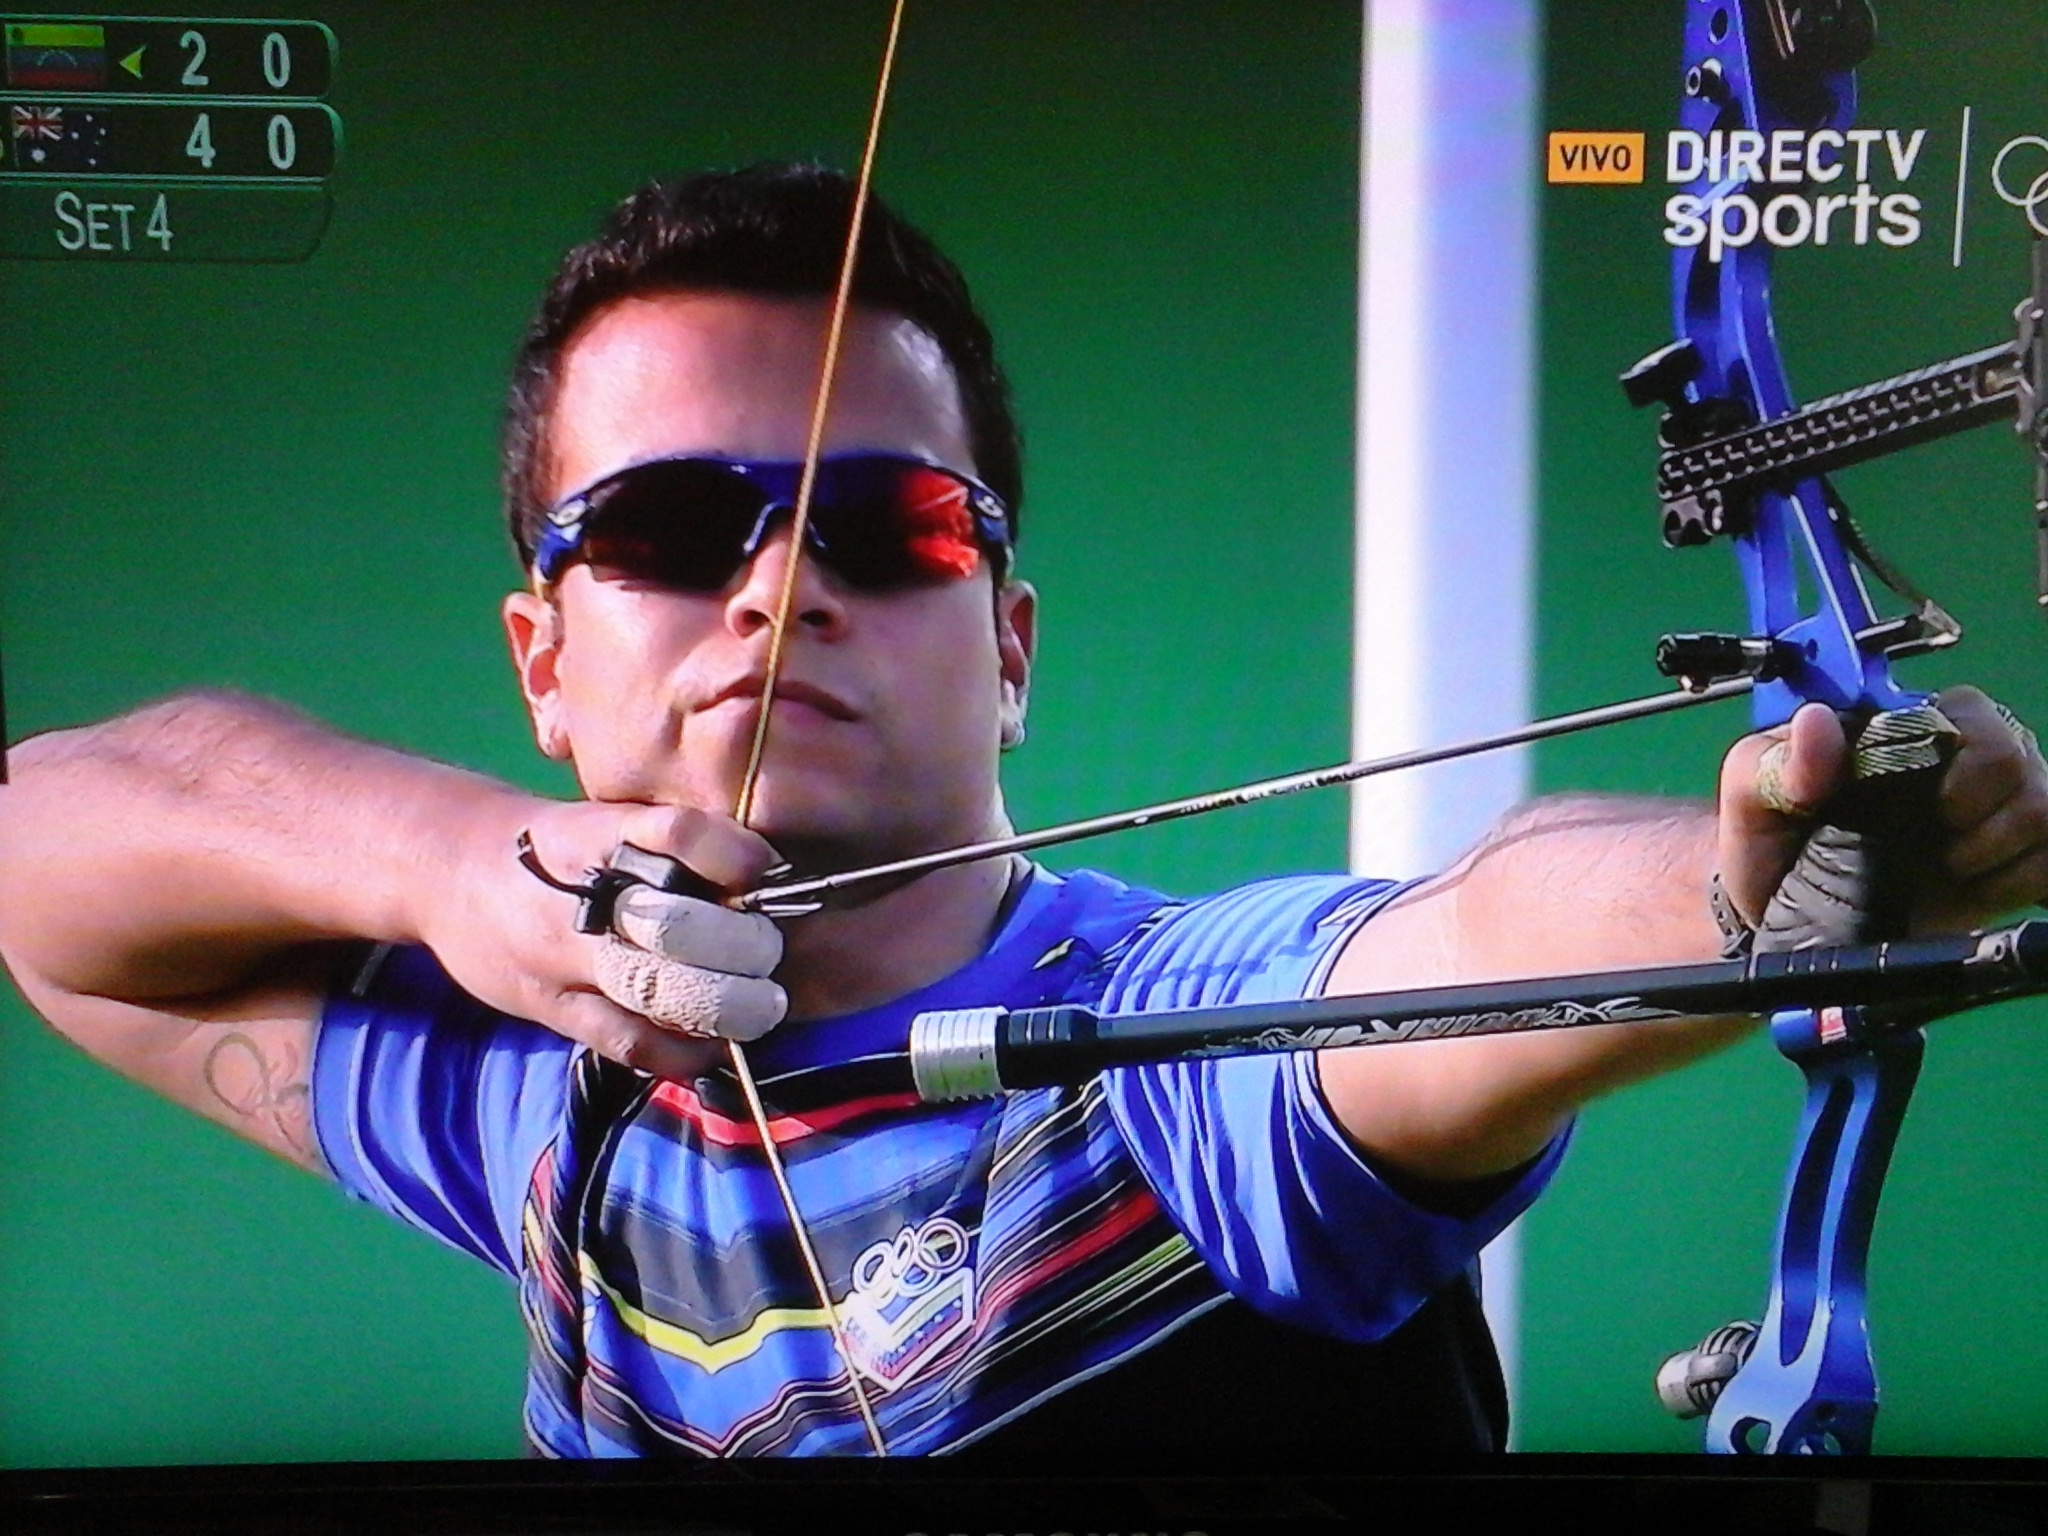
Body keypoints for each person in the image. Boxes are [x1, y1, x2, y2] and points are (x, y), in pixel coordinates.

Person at [0, 165, 2042, 1459]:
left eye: (885, 525)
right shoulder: (548, 1115)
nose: (781, 587)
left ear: (1011, 646)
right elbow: (47, 846)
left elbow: (1448, 955)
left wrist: (1742, 885)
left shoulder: (1159, 1063)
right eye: (671, 527)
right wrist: (445, 867)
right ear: (543, 656)